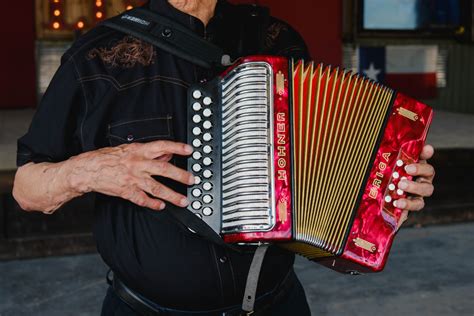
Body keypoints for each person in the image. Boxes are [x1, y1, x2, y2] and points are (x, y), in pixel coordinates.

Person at [12, 0, 436, 315]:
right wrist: (91, 169)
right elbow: (27, 188)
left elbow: (328, 160)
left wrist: (388, 185)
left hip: (276, 303)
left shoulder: (277, 40)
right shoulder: (98, 56)